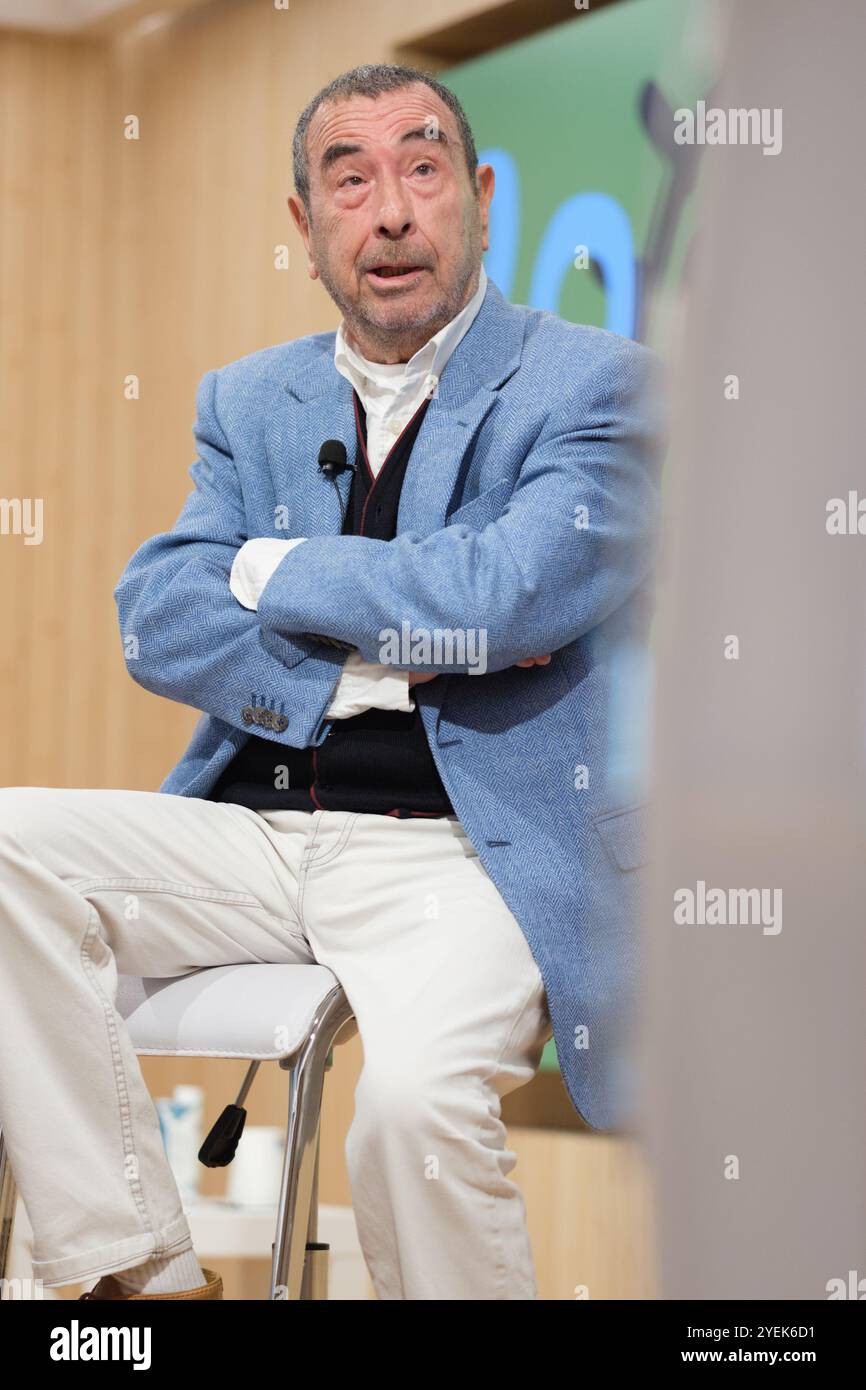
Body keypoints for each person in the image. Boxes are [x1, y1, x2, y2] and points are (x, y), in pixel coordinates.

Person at [0, 62, 664, 1301]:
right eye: (347, 180)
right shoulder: (250, 400)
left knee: (408, 1115)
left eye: (420, 170)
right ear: (304, 226)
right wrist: (395, 644)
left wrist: (271, 566)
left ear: (475, 197)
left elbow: (504, 599)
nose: (390, 210)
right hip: (255, 831)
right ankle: (134, 1267)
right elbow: (156, 618)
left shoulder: (593, 384)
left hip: (460, 852)